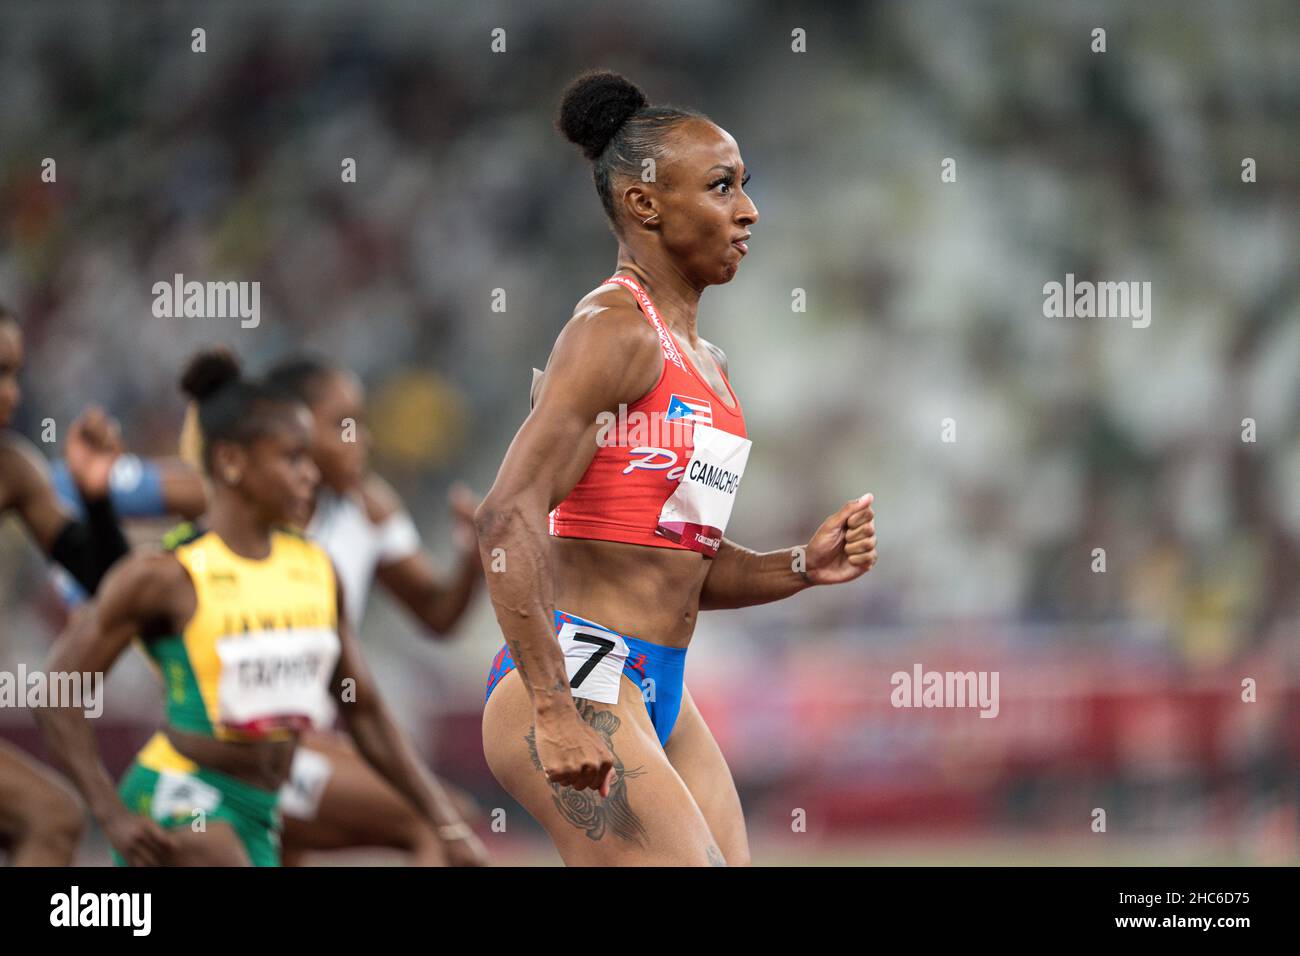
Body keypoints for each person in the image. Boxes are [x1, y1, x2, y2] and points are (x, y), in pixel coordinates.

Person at [476, 71, 878, 866]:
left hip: (662, 685)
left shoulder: (710, 367)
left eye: (746, 186)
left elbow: (680, 563)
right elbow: (506, 513)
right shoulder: (611, 329)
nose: (749, 210)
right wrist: (553, 706)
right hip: (578, 672)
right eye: (723, 186)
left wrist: (798, 565)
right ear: (645, 205)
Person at [36, 348, 486, 866]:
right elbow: (56, 691)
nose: (311, 472)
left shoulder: (321, 563)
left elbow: (365, 708)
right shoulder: (169, 572)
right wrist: (108, 812)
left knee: (436, 818)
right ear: (232, 462)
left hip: (268, 797)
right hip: (186, 796)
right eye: (296, 457)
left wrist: (446, 823)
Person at [264, 355, 482, 865]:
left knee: (445, 815)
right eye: (344, 424)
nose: (363, 439)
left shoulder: (367, 509)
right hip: (250, 749)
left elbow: (436, 614)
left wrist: (473, 560)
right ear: (292, 427)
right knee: (438, 821)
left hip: (304, 742)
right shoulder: (249, 511)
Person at [0, 302, 131, 865]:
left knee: (51, 819)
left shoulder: (12, 472)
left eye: (14, 374)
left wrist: (97, 497)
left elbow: (109, 582)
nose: (11, 395)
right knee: (50, 817)